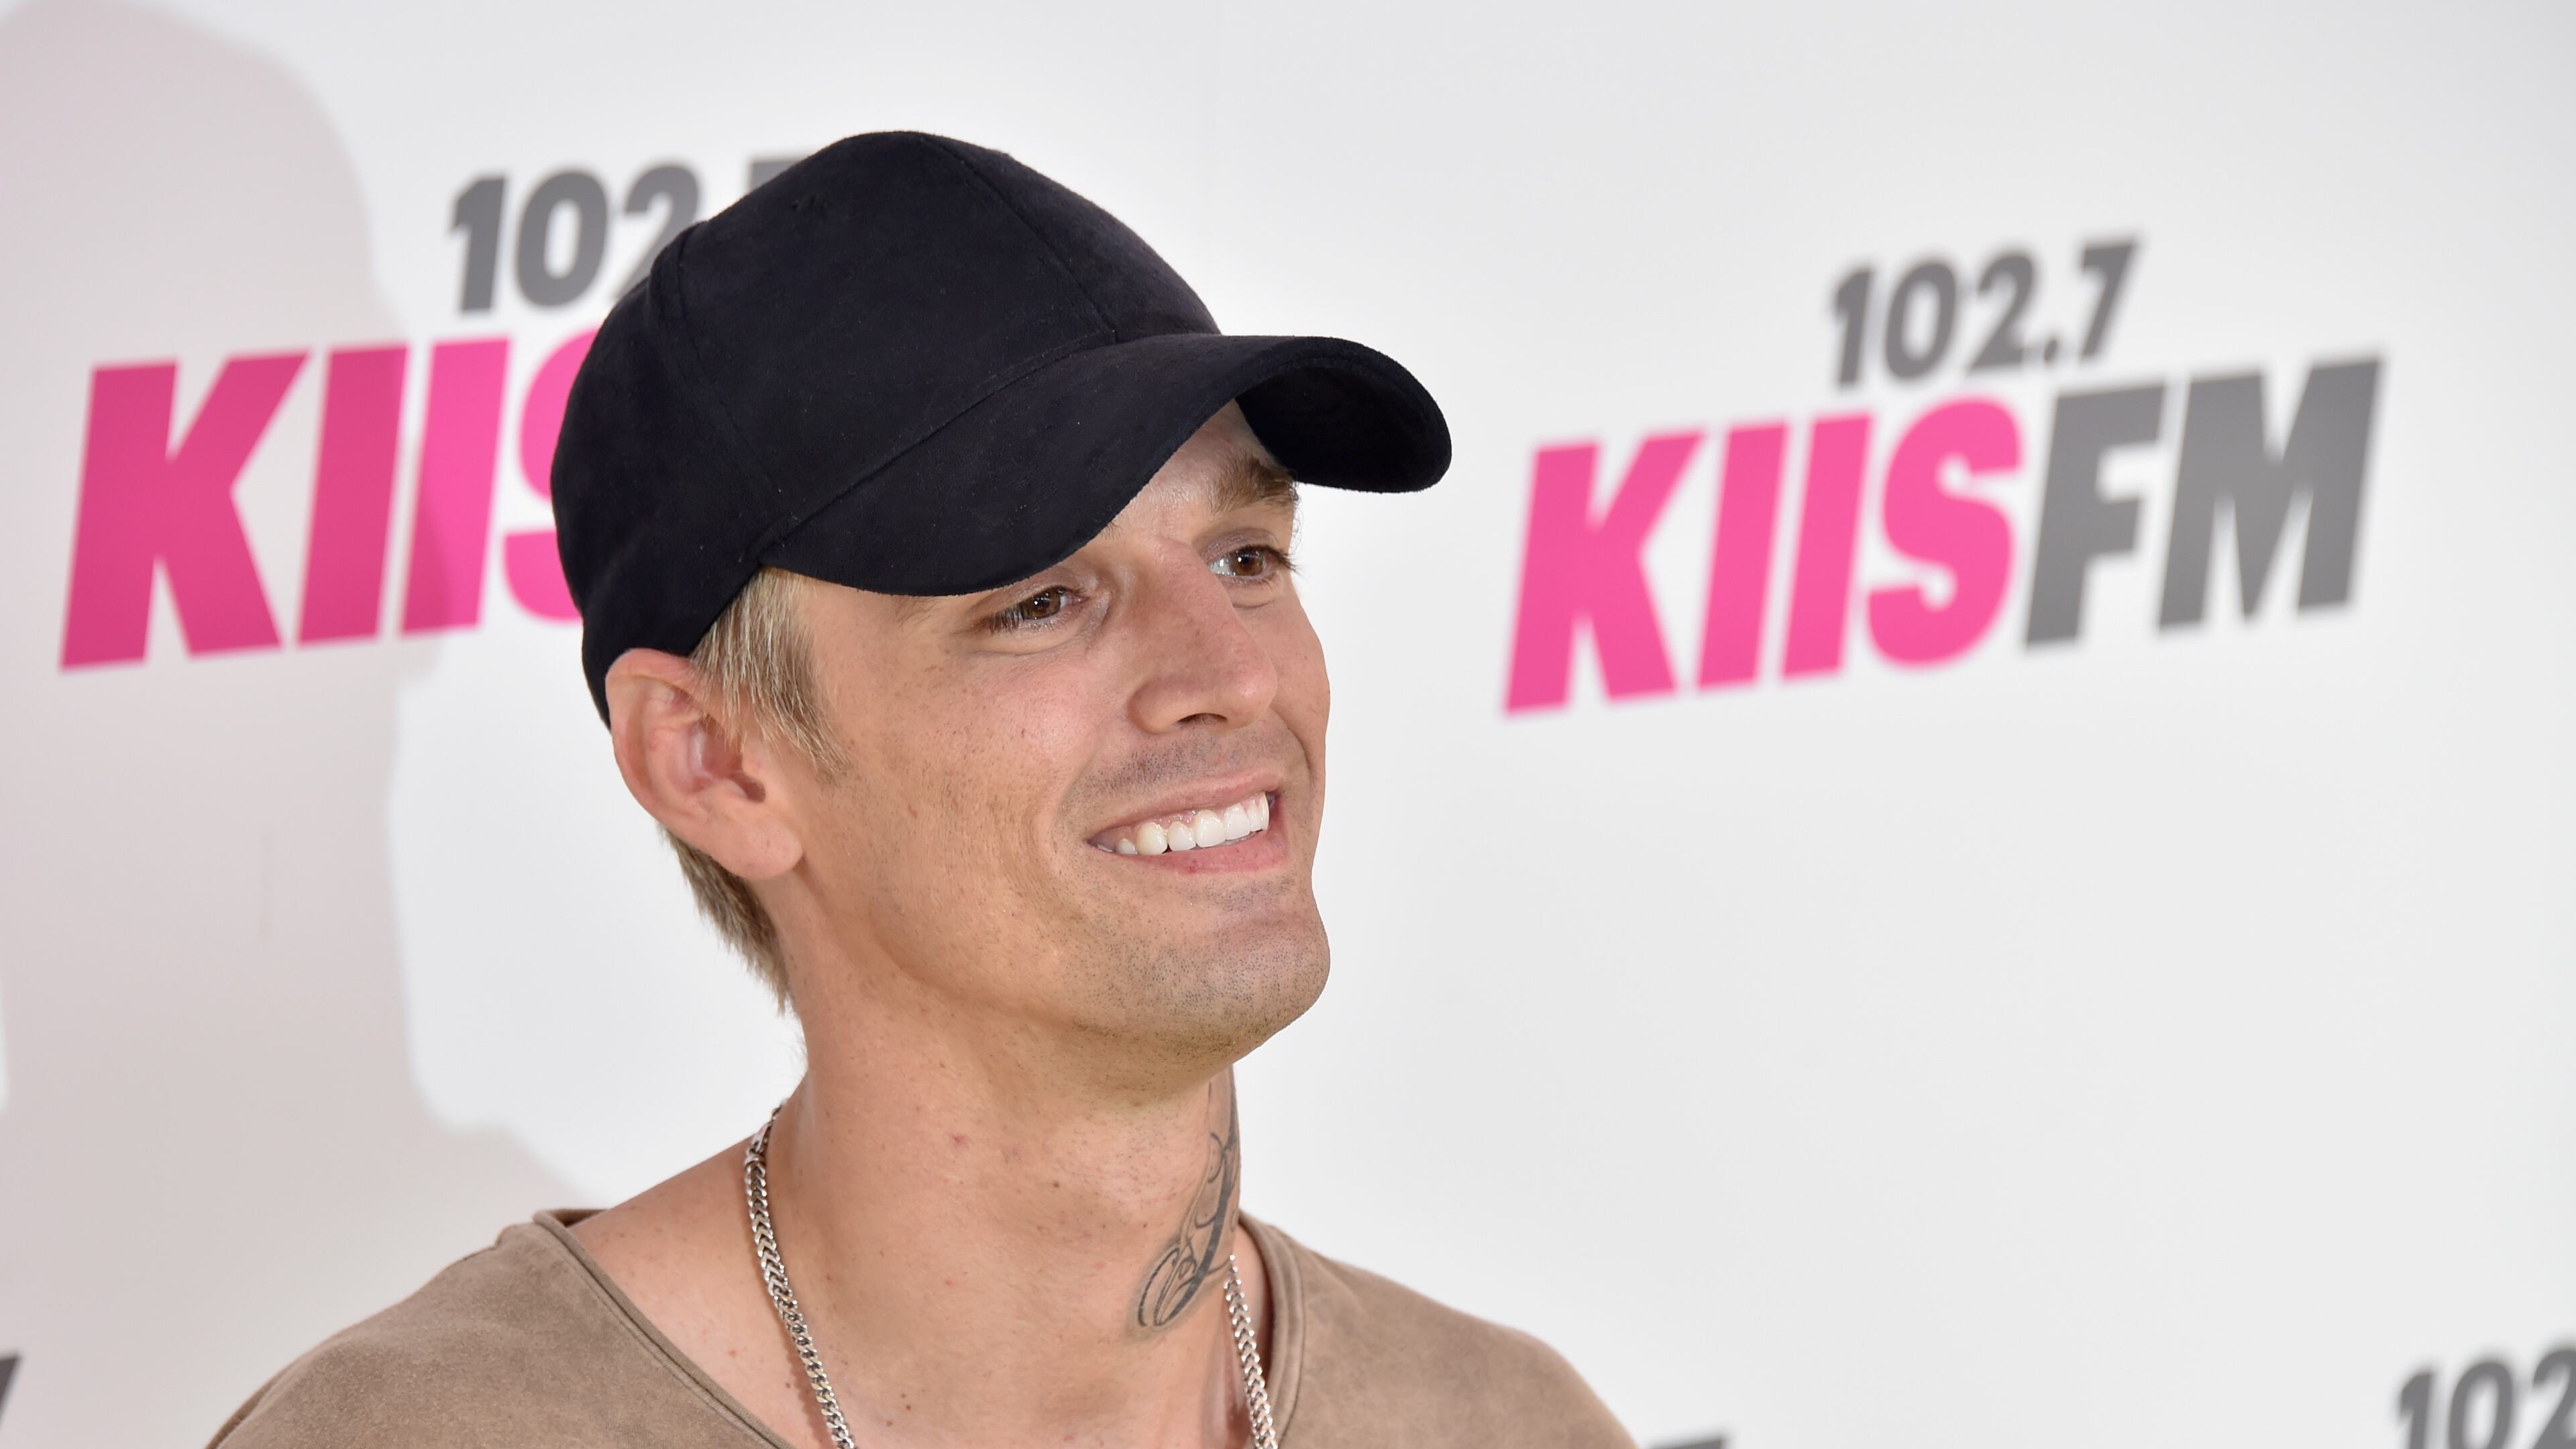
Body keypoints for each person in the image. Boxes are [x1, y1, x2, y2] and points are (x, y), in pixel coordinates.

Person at [211, 131, 1631, 1449]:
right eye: (1044, 600)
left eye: (1246, 557)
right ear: (714, 761)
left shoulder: (1507, 1422)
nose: (1229, 676)